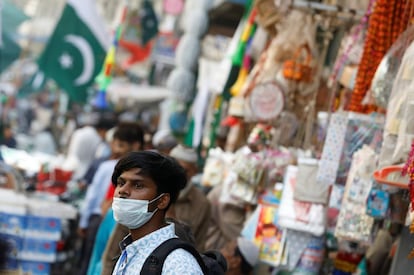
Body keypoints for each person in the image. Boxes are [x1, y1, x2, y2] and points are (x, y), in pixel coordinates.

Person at [111, 151, 204, 274]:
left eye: (138, 185)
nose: (123, 190)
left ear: (162, 201)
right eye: (121, 183)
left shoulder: (177, 264)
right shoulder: (130, 250)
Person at [77, 122, 144, 275]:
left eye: (120, 145)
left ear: (135, 145)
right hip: (110, 218)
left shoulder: (119, 167)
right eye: (121, 183)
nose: (115, 149)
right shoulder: (115, 167)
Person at [169, 144, 210, 251]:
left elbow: (199, 244)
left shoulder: (202, 203)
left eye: (184, 170)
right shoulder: (153, 192)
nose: (178, 173)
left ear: (194, 171)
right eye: (175, 167)